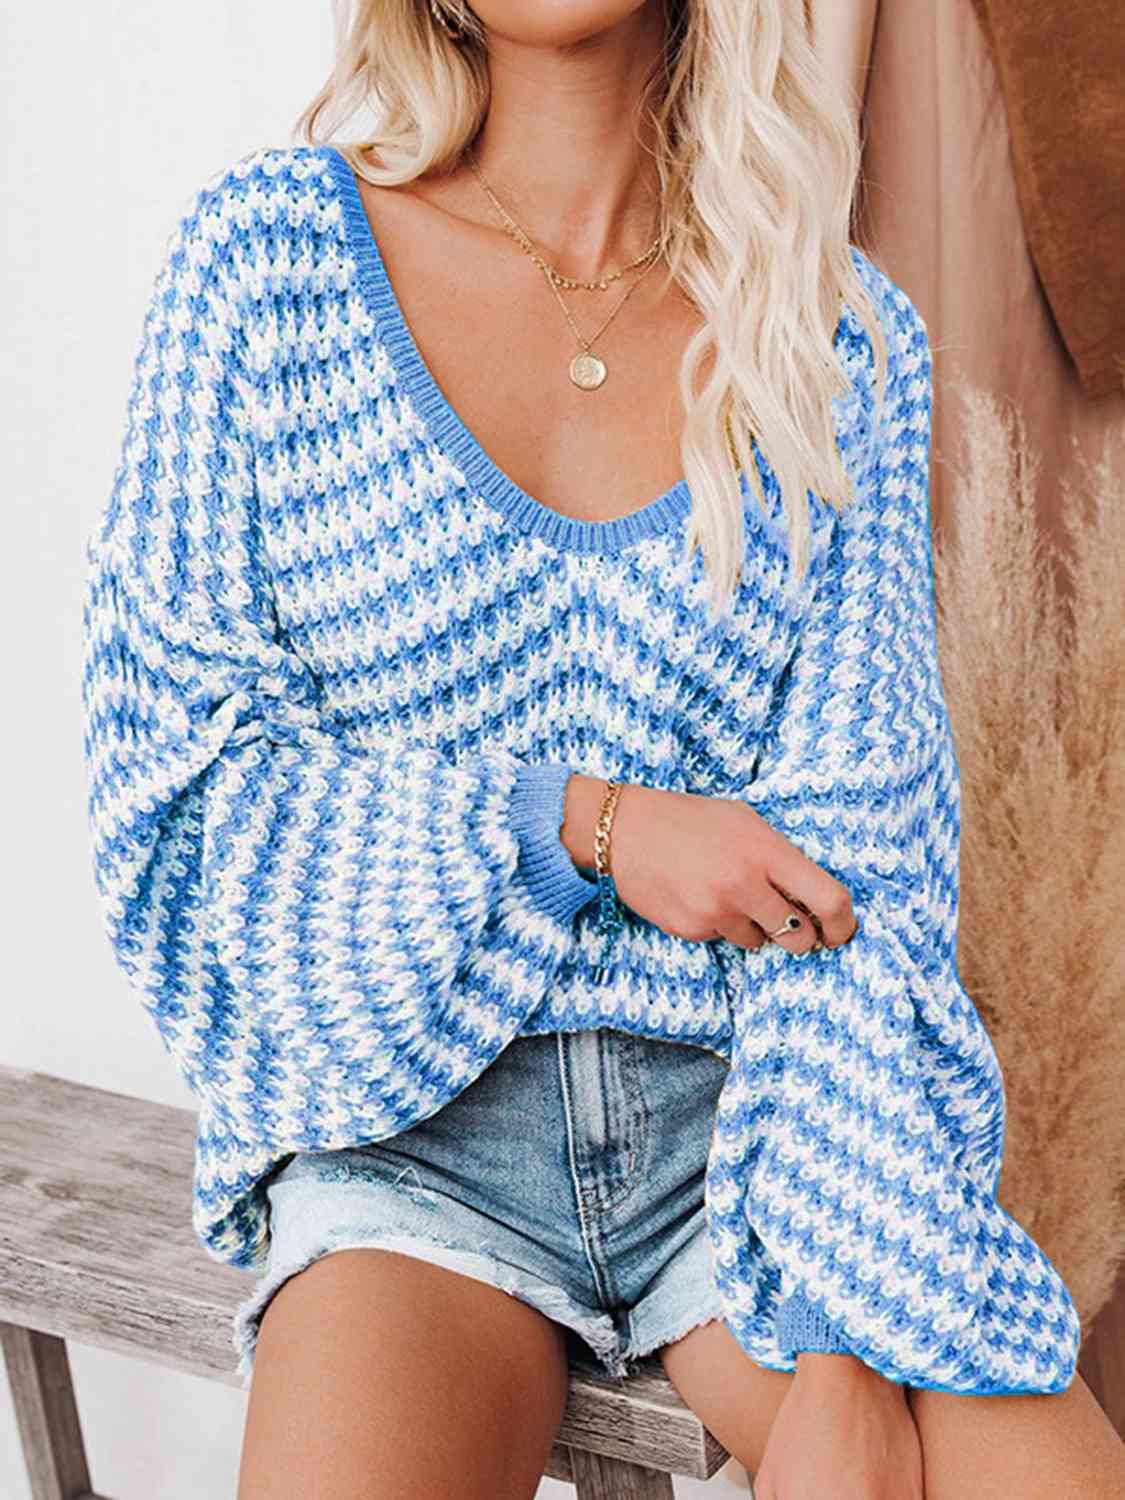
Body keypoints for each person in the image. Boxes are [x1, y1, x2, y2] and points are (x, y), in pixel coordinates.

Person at [79, 3, 1125, 1498]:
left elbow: (871, 865)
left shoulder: (833, 335)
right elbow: (177, 802)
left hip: (759, 1145)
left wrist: (839, 1347)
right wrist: (587, 825)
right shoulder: (266, 267)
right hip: (411, 1149)